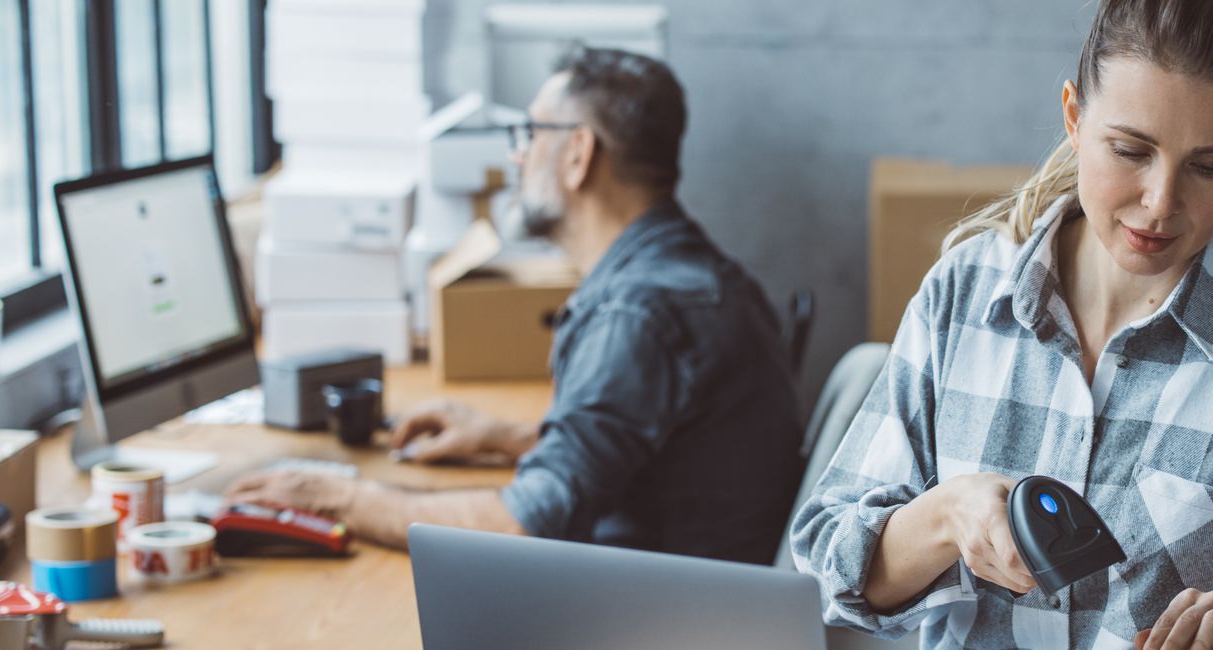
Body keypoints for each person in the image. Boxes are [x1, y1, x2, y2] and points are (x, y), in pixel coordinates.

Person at [790, 1, 1213, 648]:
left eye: (1209, 167)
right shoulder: (962, 295)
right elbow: (824, 571)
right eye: (1131, 151)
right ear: (1074, 116)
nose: (1160, 202)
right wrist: (946, 516)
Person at [227, 46, 805, 565]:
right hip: (701, 587)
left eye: (529, 133)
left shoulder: (637, 314)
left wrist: (341, 497)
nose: (516, 157)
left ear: (578, 153)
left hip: (655, 615)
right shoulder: (699, 275)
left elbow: (524, 526)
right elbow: (656, 447)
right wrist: (502, 436)